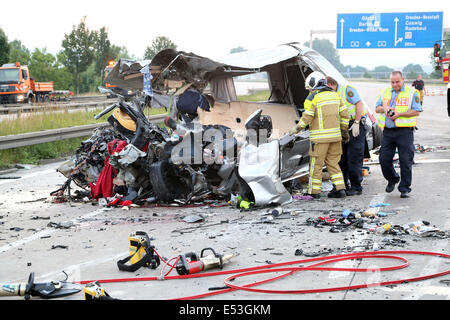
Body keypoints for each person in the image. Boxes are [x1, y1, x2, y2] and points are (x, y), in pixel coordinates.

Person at [289, 71, 350, 199]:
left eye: (310, 89)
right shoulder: (336, 96)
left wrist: (295, 130)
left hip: (319, 139)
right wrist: (343, 132)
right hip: (336, 138)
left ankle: (314, 192)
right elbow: (345, 116)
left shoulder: (314, 98)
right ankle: (340, 189)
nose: (310, 91)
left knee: (316, 165)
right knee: (333, 163)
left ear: (314, 84)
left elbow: (307, 118)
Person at [375, 71, 422, 198]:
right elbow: (377, 108)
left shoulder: (412, 93)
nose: (395, 84)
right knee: (384, 159)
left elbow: (416, 111)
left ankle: (404, 188)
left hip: (404, 132)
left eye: (397, 82)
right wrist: (385, 109)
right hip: (388, 132)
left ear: (403, 80)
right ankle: (393, 178)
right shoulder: (385, 92)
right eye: (392, 82)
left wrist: (399, 114)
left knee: (405, 160)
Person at [326, 76, 368, 196]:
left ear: (330, 85)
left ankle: (356, 187)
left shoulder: (346, 90)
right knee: (341, 158)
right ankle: (342, 186)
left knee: (353, 158)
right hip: (342, 128)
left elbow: (359, 104)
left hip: (355, 127)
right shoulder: (332, 94)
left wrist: (357, 122)